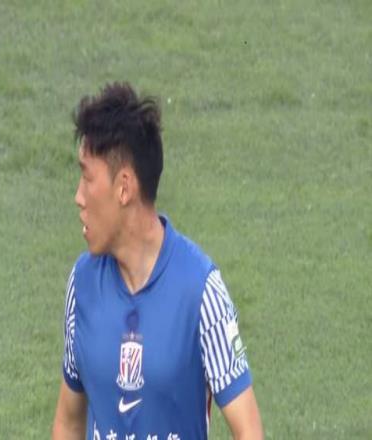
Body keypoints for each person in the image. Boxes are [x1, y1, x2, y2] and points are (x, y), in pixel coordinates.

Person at [52, 82, 263, 440]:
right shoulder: (82, 283)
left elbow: (249, 432)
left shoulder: (200, 291)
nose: (78, 197)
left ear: (124, 187)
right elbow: (69, 422)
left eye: (87, 178)